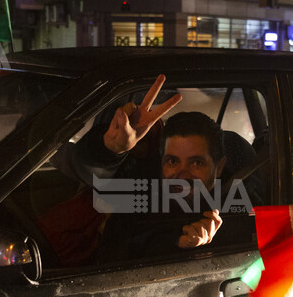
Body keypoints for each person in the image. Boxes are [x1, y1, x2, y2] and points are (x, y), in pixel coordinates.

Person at [57, 75, 248, 259]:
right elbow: (113, 252)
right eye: (172, 161)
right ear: (161, 159)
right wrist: (110, 150)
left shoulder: (238, 204)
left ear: (220, 166)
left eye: (196, 162)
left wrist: (205, 245)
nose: (181, 174)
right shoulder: (143, 190)